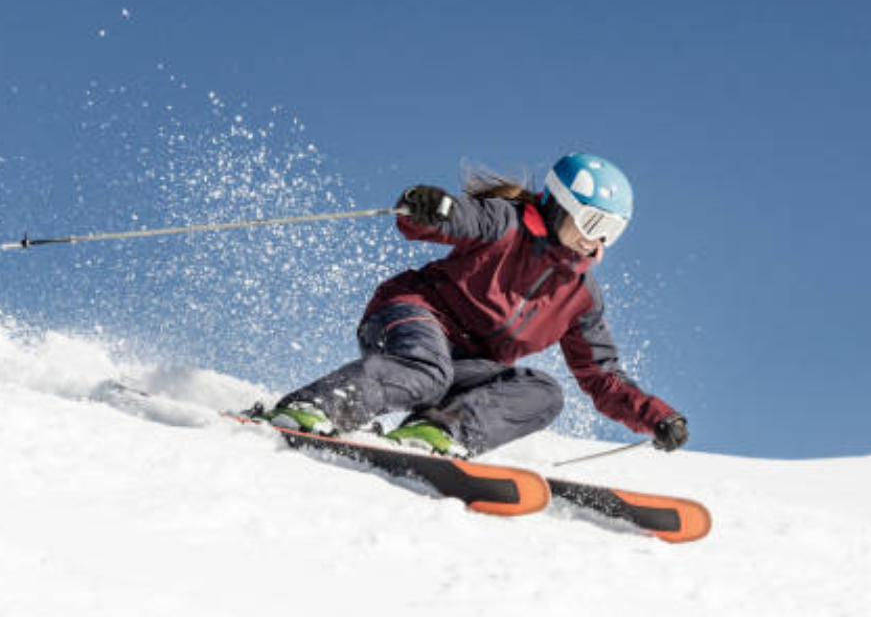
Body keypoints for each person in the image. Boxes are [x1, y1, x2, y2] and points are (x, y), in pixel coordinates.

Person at [259, 152, 689, 458]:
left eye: (612, 231)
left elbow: (603, 378)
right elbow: (453, 219)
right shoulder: (506, 223)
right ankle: (316, 406)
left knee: (543, 393)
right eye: (594, 223)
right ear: (562, 206)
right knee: (426, 371)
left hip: (462, 366)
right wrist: (430, 208)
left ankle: (439, 430)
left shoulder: (580, 296)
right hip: (413, 317)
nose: (597, 241)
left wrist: (657, 418)